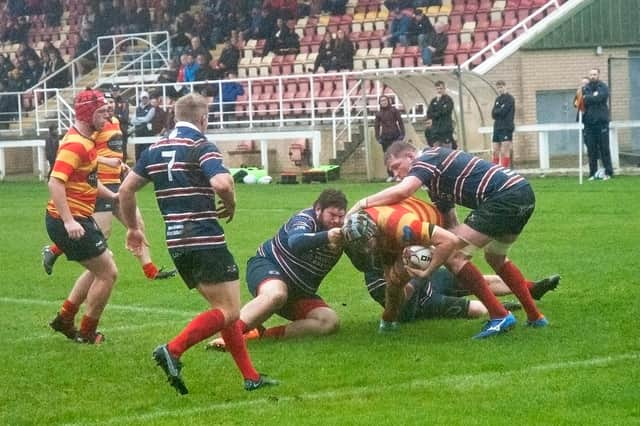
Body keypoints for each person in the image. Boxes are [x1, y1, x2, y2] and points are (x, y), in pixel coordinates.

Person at [118, 93, 277, 394]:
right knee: (230, 311)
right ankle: (173, 349)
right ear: (203, 119)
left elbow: (125, 191)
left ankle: (251, 377)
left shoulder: (154, 148)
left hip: (176, 241)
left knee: (223, 309)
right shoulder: (200, 145)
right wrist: (230, 202)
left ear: (176, 116)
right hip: (204, 237)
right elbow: (221, 182)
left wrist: (132, 229)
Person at [350, 142, 549, 338]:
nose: (396, 175)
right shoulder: (435, 181)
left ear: (410, 156)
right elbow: (450, 224)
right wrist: (431, 244)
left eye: (396, 167)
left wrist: (363, 203)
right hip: (522, 193)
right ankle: (535, 316)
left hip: (504, 197)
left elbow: (403, 191)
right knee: (495, 258)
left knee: (454, 257)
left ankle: (499, 316)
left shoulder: (426, 159)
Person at [42, 94, 177, 280]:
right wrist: (108, 162)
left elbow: (111, 150)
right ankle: (57, 251)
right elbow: (85, 153)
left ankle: (150, 271)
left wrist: (121, 165)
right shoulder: (94, 127)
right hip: (98, 184)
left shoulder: (113, 122)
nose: (110, 108)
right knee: (102, 235)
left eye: (111, 103)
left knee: (136, 224)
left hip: (117, 184)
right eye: (106, 105)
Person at [206, 189, 350, 350]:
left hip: (299, 292)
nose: (337, 221)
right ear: (318, 209)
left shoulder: (345, 232)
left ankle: (263, 336)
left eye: (341, 216)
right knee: (276, 294)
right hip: (267, 267)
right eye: (332, 215)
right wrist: (326, 237)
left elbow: (362, 262)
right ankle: (230, 336)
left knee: (329, 322)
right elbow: (296, 242)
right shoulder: (304, 219)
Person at [46, 88, 118, 344]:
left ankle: (65, 318)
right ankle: (87, 332)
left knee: (101, 265)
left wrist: (113, 197)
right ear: (87, 113)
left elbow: (88, 181)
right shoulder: (76, 144)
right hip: (69, 219)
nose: (106, 117)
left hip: (80, 216)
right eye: (100, 112)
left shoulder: (87, 141)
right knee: (108, 273)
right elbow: (55, 183)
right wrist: (68, 221)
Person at [341, 197, 460, 331]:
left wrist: (428, 271)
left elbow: (450, 241)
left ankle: (489, 310)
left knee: (456, 263)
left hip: (424, 228)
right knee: (393, 284)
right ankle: (388, 322)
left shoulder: (401, 225)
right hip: (399, 232)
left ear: (375, 233)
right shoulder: (356, 230)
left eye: (367, 244)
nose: (366, 250)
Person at [365, 267, 560, 322]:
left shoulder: (393, 240)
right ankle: (497, 309)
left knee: (480, 281)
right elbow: (402, 302)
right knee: (475, 309)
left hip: (430, 279)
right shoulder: (373, 276)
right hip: (423, 303)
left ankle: (533, 288)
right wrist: (416, 273)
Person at [582, 68, 613, 180]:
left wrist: (591, 97)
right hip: (589, 124)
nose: (593, 76)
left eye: (595, 74)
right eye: (591, 74)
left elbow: (601, 97)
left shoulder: (603, 86)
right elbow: (584, 100)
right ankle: (593, 173)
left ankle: (608, 172)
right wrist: (593, 96)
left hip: (602, 123)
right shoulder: (586, 88)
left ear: (598, 75)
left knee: (604, 149)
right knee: (591, 150)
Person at [374, 95, 405, 182]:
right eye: (381, 101)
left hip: (395, 136)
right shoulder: (378, 114)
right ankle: (390, 175)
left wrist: (402, 134)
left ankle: (399, 175)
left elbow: (400, 122)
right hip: (385, 138)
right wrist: (378, 138)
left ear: (388, 101)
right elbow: (376, 126)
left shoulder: (394, 111)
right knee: (388, 157)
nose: (383, 102)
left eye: (385, 100)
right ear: (380, 103)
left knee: (397, 156)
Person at [491, 80, 515, 168]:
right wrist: (498, 110)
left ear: (505, 87)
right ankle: (494, 171)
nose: (500, 89)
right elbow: (493, 114)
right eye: (498, 88)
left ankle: (505, 171)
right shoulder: (497, 99)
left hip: (506, 127)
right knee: (495, 151)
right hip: (497, 127)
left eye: (501, 87)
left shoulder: (510, 99)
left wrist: (498, 111)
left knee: (505, 151)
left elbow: (503, 112)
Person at [426, 80, 454, 148]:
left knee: (446, 152)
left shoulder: (448, 100)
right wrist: (434, 114)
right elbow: (429, 113)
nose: (439, 90)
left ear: (444, 89)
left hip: (445, 130)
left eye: (441, 88)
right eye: (437, 89)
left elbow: (443, 112)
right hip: (435, 131)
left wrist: (435, 112)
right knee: (436, 151)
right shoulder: (434, 100)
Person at [131, 90, 155, 161]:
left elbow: (147, 119)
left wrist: (137, 119)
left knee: (147, 152)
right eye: (143, 98)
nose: (144, 99)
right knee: (138, 153)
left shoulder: (152, 108)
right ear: (141, 98)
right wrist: (141, 119)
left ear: (148, 98)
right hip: (138, 133)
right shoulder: (138, 108)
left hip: (147, 133)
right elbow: (132, 120)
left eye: (146, 98)